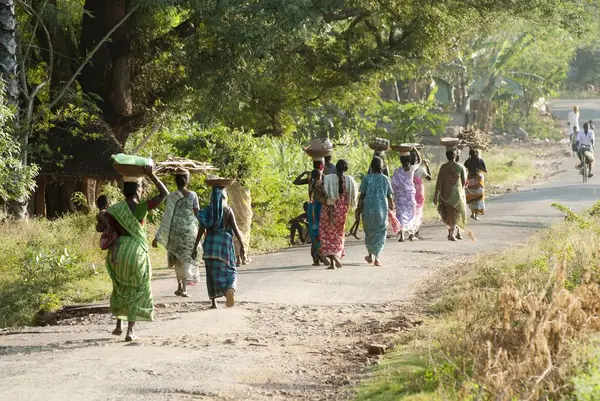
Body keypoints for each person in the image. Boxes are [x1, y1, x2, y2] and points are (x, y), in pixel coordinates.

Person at [99, 167, 168, 341]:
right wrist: (151, 174)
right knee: (138, 288)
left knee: (121, 287)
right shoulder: (142, 208)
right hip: (136, 252)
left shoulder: (113, 210)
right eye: (141, 188)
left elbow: (101, 227)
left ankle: (118, 325)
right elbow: (164, 193)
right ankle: (130, 331)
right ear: (138, 190)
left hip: (118, 252)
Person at [193, 186, 245, 309]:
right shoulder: (227, 210)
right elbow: (235, 230)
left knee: (211, 273)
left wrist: (195, 246)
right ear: (224, 197)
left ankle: (214, 303)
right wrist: (242, 245)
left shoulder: (207, 211)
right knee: (230, 269)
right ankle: (230, 288)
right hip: (224, 244)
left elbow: (201, 229)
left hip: (210, 244)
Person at [153, 171, 200, 298]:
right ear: (187, 180)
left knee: (177, 259)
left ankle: (179, 286)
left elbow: (167, 217)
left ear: (176, 181)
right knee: (186, 260)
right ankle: (184, 289)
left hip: (175, 233)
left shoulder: (172, 196)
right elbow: (197, 213)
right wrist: (203, 227)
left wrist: (158, 236)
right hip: (190, 232)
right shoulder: (193, 195)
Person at [319, 159, 358, 269]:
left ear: (336, 168)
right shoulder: (350, 180)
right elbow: (353, 197)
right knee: (338, 236)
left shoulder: (328, 179)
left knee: (326, 235)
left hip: (328, 211)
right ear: (346, 169)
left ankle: (333, 259)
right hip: (342, 213)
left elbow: (322, 190)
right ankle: (335, 258)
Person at [358, 156, 395, 266]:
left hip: (368, 209)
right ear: (382, 167)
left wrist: (358, 208)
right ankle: (377, 257)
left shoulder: (366, 178)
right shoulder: (385, 179)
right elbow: (389, 195)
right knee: (380, 232)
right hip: (381, 209)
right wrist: (392, 205)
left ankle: (370, 255)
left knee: (369, 232)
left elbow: (362, 195)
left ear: (371, 166)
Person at [294, 158, 329, 266]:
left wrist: (304, 173)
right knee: (322, 231)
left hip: (311, 208)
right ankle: (323, 254)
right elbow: (327, 196)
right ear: (321, 166)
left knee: (314, 232)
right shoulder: (323, 179)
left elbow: (296, 182)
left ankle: (316, 257)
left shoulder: (310, 180)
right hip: (320, 208)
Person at [434, 149, 467, 241]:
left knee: (449, 214)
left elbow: (439, 182)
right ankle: (452, 234)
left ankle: (451, 233)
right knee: (455, 214)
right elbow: (464, 182)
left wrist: (436, 194)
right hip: (457, 194)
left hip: (445, 194)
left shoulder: (443, 167)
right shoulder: (460, 167)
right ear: (455, 156)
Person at [391, 150, 417, 242]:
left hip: (400, 196)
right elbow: (419, 160)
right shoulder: (412, 169)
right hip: (409, 195)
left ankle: (402, 234)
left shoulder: (397, 171)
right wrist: (415, 149)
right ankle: (411, 233)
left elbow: (393, 183)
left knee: (400, 214)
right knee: (411, 213)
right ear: (409, 159)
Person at [410, 149, 431, 239]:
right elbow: (429, 178)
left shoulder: (406, 168)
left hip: (409, 192)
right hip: (418, 192)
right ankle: (415, 232)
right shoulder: (421, 169)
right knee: (418, 211)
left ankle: (411, 230)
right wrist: (427, 166)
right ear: (417, 160)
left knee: (411, 211)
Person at [464, 149, 488, 220]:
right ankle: (476, 215)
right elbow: (485, 170)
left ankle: (473, 213)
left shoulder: (468, 161)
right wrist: (479, 168)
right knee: (478, 196)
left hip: (470, 179)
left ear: (470, 154)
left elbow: (464, 168)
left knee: (471, 196)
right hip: (479, 179)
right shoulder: (480, 160)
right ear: (477, 153)